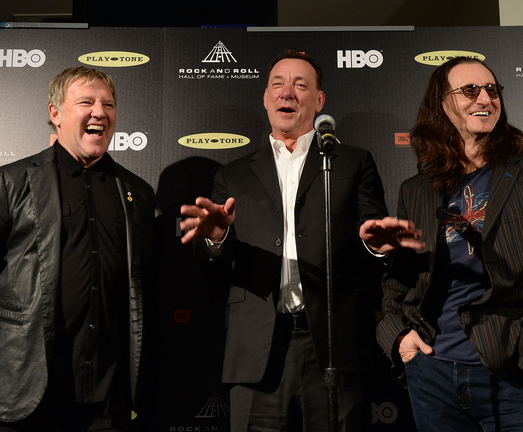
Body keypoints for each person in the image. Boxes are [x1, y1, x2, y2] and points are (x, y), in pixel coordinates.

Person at [179, 48, 423, 431]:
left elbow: (371, 239)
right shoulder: (234, 174)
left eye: (300, 85)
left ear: (319, 100)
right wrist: (217, 237)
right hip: (257, 349)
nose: (287, 92)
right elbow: (214, 264)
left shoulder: (351, 163)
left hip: (332, 346)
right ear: (265, 97)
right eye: (277, 84)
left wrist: (373, 245)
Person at [363, 57, 523, 431]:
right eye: (469, 90)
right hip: (432, 371)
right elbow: (400, 280)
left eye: (492, 89)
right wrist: (399, 339)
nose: (484, 98)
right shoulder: (418, 188)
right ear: (443, 104)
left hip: (512, 372)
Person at [0, 66, 155, 432]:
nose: (99, 112)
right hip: (23, 392)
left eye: (108, 104)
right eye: (86, 102)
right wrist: (2, 346)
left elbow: (143, 282)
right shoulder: (7, 183)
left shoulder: (136, 192)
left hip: (108, 396)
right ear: (55, 114)